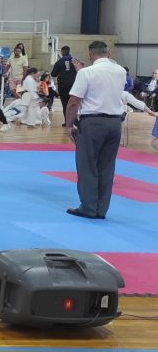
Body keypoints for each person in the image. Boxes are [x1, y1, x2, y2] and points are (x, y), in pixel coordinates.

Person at [64, 41, 125, 220]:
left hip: (92, 123)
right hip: (115, 123)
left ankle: (89, 207)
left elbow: (74, 102)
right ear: (108, 53)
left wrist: (69, 125)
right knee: (107, 167)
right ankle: (101, 209)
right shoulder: (121, 71)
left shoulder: (86, 73)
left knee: (87, 165)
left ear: (90, 55)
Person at [52, 46, 82, 123]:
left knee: (65, 103)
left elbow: (53, 74)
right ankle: (75, 120)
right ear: (69, 51)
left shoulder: (59, 62)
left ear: (62, 52)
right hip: (73, 85)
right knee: (74, 103)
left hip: (62, 85)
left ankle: (67, 122)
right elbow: (81, 71)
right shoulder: (75, 61)